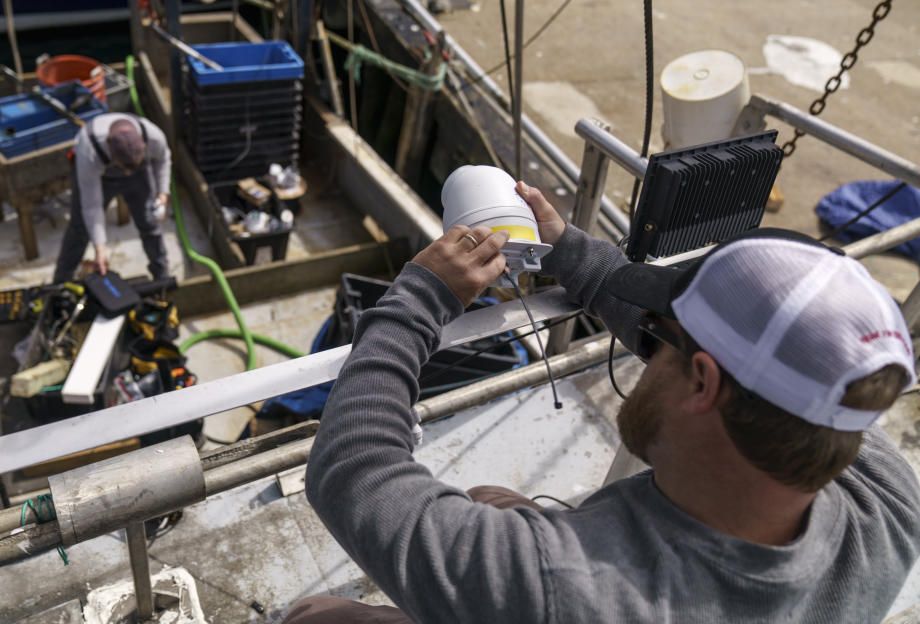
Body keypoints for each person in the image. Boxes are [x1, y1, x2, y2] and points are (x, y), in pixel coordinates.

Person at [285, 182, 920, 623]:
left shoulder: (550, 589)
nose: (648, 342)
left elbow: (354, 468)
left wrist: (418, 298)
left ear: (703, 382)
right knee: (488, 502)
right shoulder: (889, 504)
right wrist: (573, 256)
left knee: (316, 616)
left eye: (661, 336)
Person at [53, 113, 171, 284]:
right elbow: (92, 206)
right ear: (110, 150)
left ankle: (162, 277)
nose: (127, 172)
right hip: (99, 178)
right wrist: (100, 249)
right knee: (80, 229)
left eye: (131, 167)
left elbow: (163, 159)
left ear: (144, 145)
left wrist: (162, 194)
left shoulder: (153, 135)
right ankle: (61, 282)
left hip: (140, 175)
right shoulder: (89, 150)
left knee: (150, 223)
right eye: (125, 167)